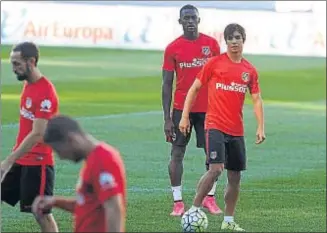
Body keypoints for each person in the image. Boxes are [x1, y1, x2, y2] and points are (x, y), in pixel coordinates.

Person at [179, 23, 266, 231]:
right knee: (216, 169)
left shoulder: (249, 71)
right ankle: (194, 209)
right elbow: (194, 89)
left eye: (237, 37)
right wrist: (184, 117)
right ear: (225, 41)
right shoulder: (214, 63)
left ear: (243, 40)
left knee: (235, 177)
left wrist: (261, 126)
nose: (234, 42)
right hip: (215, 125)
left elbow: (256, 99)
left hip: (236, 130)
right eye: (230, 38)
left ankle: (228, 221)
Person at [162, 4, 222, 216]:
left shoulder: (212, 45)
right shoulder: (173, 48)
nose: (189, 21)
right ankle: (177, 202)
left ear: (199, 20)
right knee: (177, 153)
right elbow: (167, 84)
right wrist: (167, 119)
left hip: (209, 111)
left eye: (192, 17)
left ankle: (210, 198)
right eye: (185, 18)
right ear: (180, 22)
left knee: (213, 156)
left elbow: (219, 77)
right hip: (182, 110)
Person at [32, 115, 126, 233]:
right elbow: (88, 206)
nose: (61, 157)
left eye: (59, 150)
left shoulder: (103, 159)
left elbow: (113, 207)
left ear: (72, 140)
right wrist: (55, 202)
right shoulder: (93, 159)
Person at [1, 42, 59, 232]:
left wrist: (9, 160)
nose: (14, 69)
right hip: (21, 159)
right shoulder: (28, 85)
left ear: (31, 62)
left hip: (38, 163)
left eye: (17, 64)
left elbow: (37, 134)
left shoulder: (45, 93)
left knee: (41, 213)